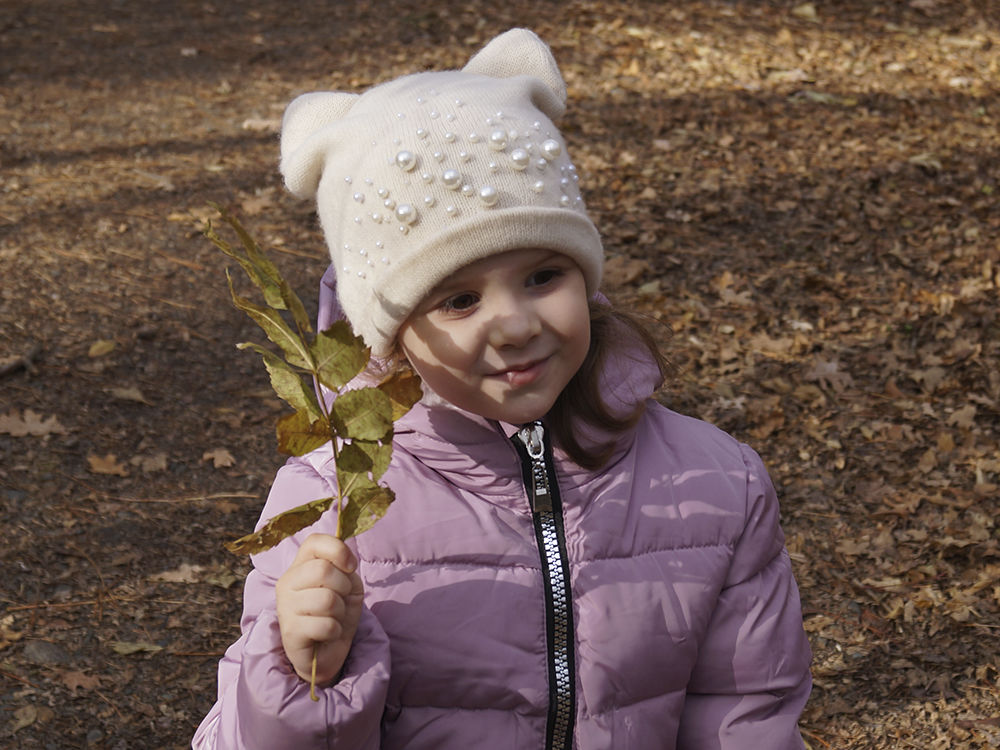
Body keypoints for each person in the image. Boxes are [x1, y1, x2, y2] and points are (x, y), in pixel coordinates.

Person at [192, 28, 811, 750]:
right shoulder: (326, 508)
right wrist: (303, 678)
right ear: (387, 336)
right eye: (458, 301)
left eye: (544, 276)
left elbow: (746, 714)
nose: (515, 324)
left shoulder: (717, 484)